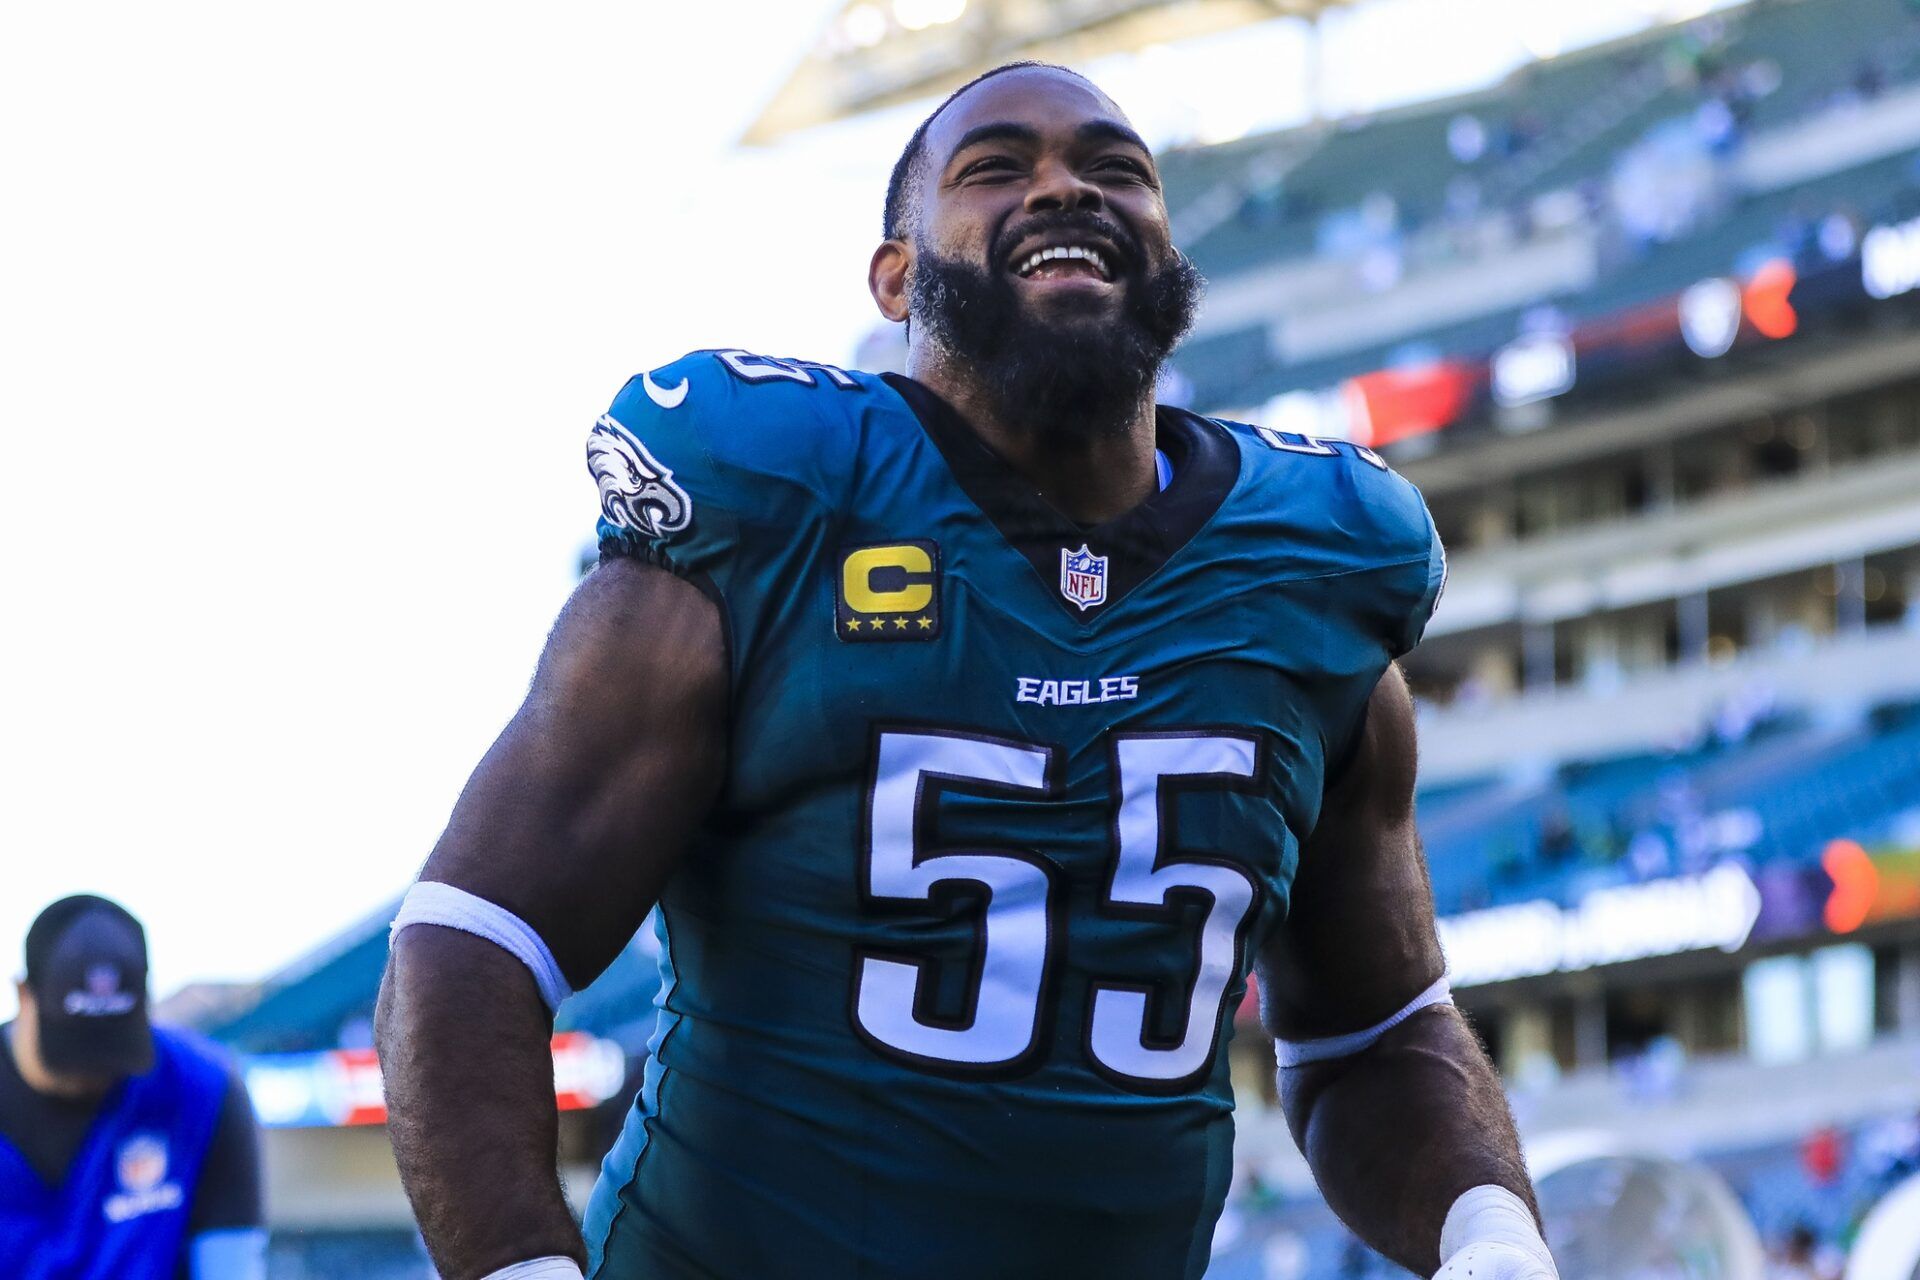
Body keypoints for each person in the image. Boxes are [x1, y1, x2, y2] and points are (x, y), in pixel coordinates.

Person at [376, 62, 1556, 1280]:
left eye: (1117, 170)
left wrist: (1492, 1241)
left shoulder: (1310, 568)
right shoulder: (780, 505)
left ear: (1166, 258)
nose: (1066, 190)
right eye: (998, 168)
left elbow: (1375, 1032)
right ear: (897, 277)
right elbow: (471, 941)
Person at [0, 895, 266, 1280]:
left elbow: (232, 1264)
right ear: (25, 996)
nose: (93, 1070)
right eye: (74, 1047)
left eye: (112, 1047)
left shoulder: (202, 1089)